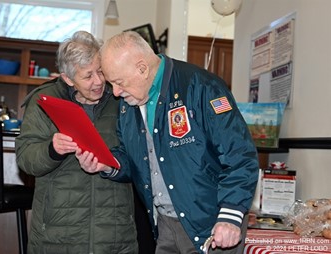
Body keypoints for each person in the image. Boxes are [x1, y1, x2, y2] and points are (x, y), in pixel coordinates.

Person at [76, 31, 259, 254]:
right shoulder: (129, 103)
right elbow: (133, 158)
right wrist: (108, 163)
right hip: (165, 226)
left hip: (213, 227)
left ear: (142, 68)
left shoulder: (201, 87)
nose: (115, 92)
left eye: (119, 82)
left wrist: (231, 214)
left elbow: (240, 155)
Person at [15, 31, 138, 254]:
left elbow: (141, 160)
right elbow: (26, 159)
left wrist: (110, 167)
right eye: (88, 76)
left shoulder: (121, 98)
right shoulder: (43, 102)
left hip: (113, 232)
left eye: (100, 71)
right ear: (68, 79)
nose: (99, 81)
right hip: (58, 234)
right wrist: (52, 150)